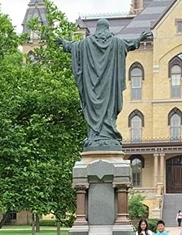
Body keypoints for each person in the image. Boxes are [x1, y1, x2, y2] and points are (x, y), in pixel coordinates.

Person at [56, 19, 152, 150]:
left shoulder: (86, 43)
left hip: (92, 89)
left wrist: (64, 42)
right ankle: (105, 135)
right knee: (109, 109)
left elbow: (74, 46)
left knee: (95, 108)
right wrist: (140, 38)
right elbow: (131, 44)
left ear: (97, 29)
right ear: (107, 29)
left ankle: (95, 136)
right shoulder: (116, 43)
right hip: (110, 88)